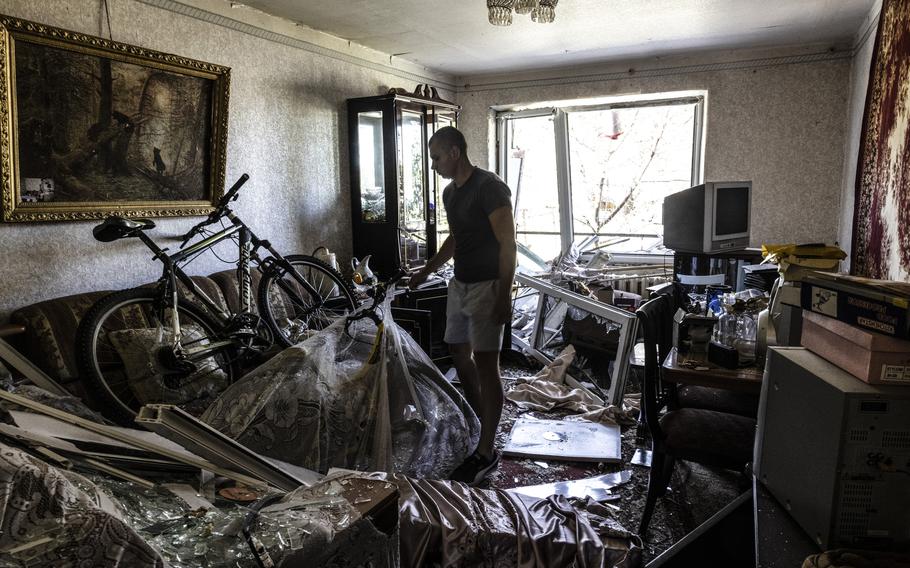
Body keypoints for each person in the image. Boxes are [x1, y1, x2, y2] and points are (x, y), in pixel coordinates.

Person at [409, 126, 516, 485]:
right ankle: (479, 417)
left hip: (488, 286)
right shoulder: (450, 194)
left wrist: (504, 294)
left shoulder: (490, 188)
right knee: (457, 350)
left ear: (455, 152)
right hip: (460, 284)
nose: (434, 164)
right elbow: (455, 238)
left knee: (488, 366)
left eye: (437, 157)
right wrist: (427, 270)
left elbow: (508, 244)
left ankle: (486, 452)